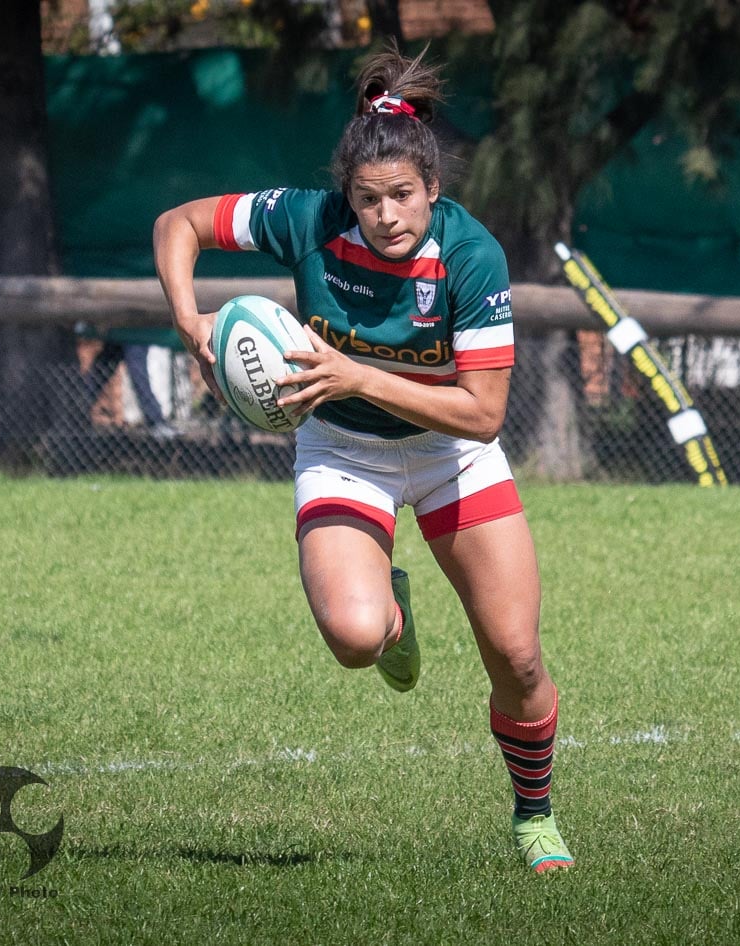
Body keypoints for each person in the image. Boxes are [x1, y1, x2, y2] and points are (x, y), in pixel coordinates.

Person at [152, 47, 573, 874]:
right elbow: (179, 224)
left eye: (403, 195)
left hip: (452, 454)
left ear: (433, 188)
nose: (386, 215)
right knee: (355, 638)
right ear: (347, 194)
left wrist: (356, 375)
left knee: (518, 656)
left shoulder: (471, 255)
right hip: (343, 449)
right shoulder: (306, 220)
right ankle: (392, 615)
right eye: (369, 198)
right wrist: (189, 322)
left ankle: (535, 816)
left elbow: (483, 414)